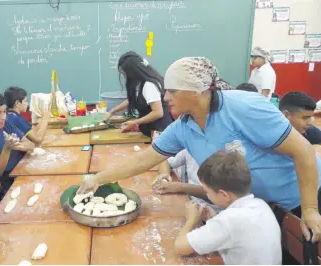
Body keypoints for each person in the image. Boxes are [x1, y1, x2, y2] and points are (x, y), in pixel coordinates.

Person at [78, 57, 321, 241]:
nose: (166, 98)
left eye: (173, 91)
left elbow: (304, 152)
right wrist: (97, 179)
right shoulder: (184, 126)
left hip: (301, 198)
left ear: (198, 90)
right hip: (259, 207)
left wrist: (310, 209)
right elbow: (145, 159)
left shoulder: (245, 108)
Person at [174, 151, 281, 264]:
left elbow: (180, 247)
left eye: (207, 191)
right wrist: (212, 218)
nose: (207, 195)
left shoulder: (228, 221)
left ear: (224, 195)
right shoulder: (261, 205)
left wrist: (190, 220)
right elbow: (233, 235)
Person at [102, 51, 174, 138]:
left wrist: (135, 122)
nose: (123, 75)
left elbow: (158, 112)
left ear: (132, 72)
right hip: (151, 131)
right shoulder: (139, 82)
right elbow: (132, 99)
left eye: (124, 73)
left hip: (159, 132)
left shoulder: (149, 85)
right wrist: (112, 111)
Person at [154, 150, 221, 213]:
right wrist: (165, 176)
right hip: (191, 203)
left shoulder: (225, 154)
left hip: (214, 211)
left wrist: (180, 187)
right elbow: (165, 161)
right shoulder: (191, 145)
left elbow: (216, 193)